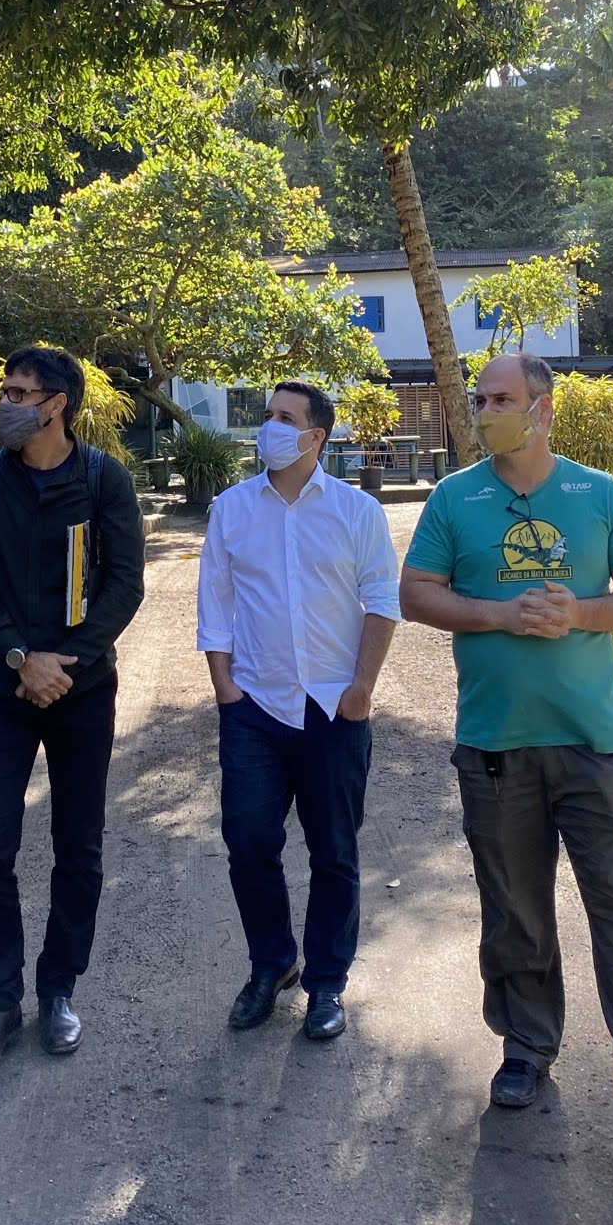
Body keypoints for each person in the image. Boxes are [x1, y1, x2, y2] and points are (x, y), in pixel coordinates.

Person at [400, 352, 613, 1151]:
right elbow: (415, 594)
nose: (485, 411)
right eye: (480, 400)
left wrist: (577, 614)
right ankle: (525, 1048)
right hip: (494, 744)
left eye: (501, 399)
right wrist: (500, 615)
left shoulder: (597, 493)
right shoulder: (454, 497)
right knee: (514, 906)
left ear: (542, 409)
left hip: (594, 741)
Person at [0, 345, 146, 1074]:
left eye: (19, 393)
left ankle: (58, 989)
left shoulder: (102, 479)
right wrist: (17, 656)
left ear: (57, 404)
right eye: (4, 390)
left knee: (78, 846)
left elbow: (124, 584)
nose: (5, 403)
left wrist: (66, 663)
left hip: (80, 692)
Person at [196, 380, 400, 1042]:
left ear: (316, 436)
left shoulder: (357, 511)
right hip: (254, 707)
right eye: (267, 416)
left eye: (285, 418)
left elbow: (382, 600)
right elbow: (216, 603)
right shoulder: (232, 508)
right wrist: (225, 688)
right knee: (249, 843)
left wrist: (361, 689)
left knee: (334, 852)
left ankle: (327, 982)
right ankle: (272, 964)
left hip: (334, 709)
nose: (270, 427)